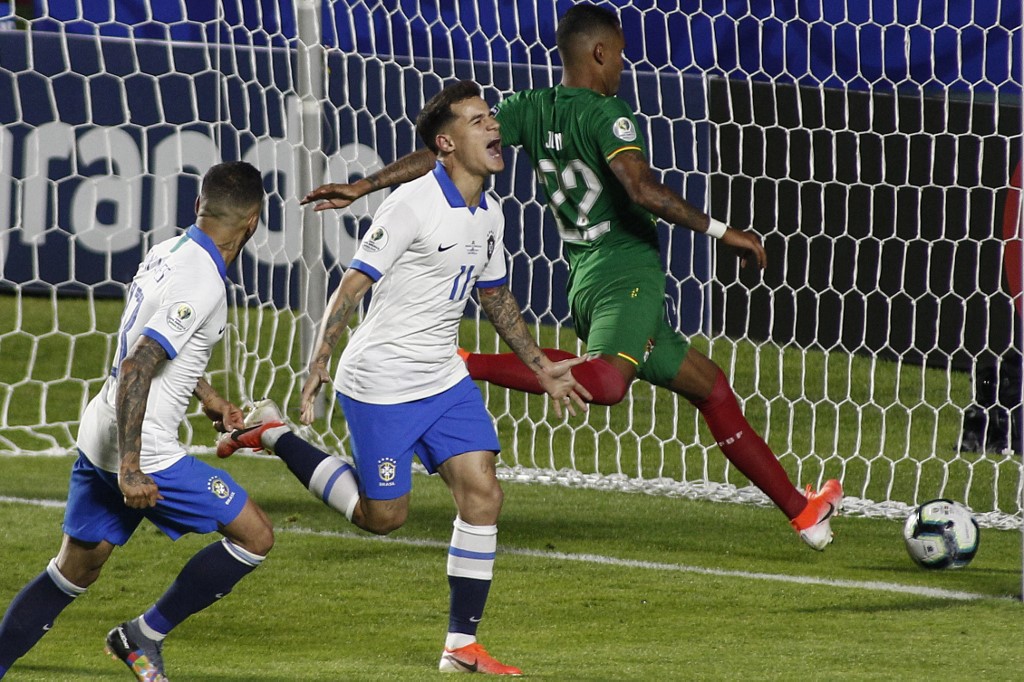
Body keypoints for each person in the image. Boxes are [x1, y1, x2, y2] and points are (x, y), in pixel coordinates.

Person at [300, 3, 843, 551]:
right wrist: (724, 231)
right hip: (626, 271)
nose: (623, 67)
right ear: (601, 52)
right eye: (622, 55)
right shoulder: (611, 116)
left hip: (582, 278)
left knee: (711, 387)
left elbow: (446, 156)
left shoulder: (530, 108)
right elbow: (641, 191)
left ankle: (803, 513)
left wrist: (366, 185)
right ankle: (465, 363)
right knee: (607, 382)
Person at [218, 80, 587, 675]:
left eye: (491, 116)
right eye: (476, 120)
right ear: (446, 143)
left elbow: (493, 295)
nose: (493, 127)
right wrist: (317, 364)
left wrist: (540, 366)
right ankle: (273, 433)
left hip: (442, 377)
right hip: (381, 382)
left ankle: (460, 646)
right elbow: (353, 285)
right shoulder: (411, 204)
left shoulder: (489, 210)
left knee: (483, 494)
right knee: (382, 517)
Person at [0, 161, 273, 682]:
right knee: (254, 537)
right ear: (254, 222)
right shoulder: (204, 281)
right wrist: (131, 465)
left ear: (198, 206)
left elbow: (152, 347)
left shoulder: (166, 253)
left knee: (74, 568)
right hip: (142, 449)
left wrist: (209, 395)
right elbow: (138, 365)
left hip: (98, 427)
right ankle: (142, 635)